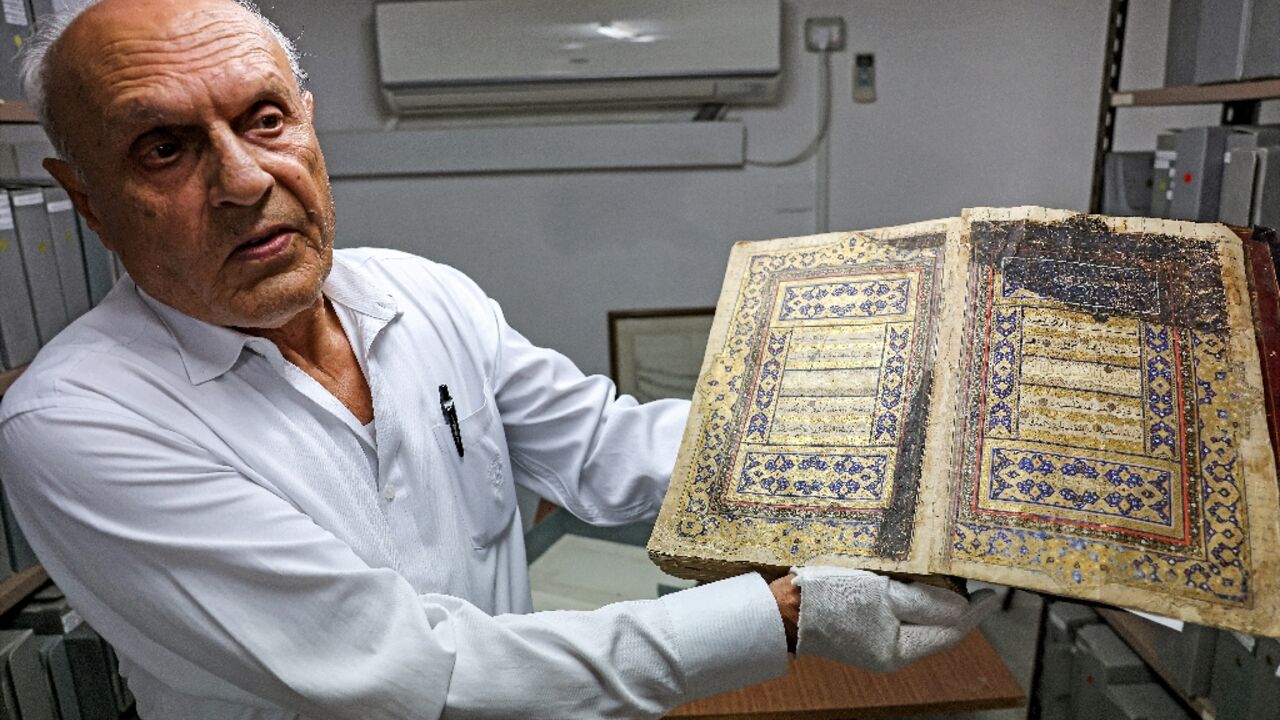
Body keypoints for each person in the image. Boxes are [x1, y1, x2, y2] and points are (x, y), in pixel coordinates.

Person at [0, 1, 996, 718]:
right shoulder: (78, 423)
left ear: (306, 121)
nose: (243, 179)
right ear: (84, 195)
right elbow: (410, 675)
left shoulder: (415, 291)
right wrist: (787, 614)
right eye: (163, 149)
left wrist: (900, 461)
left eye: (264, 118)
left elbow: (607, 448)